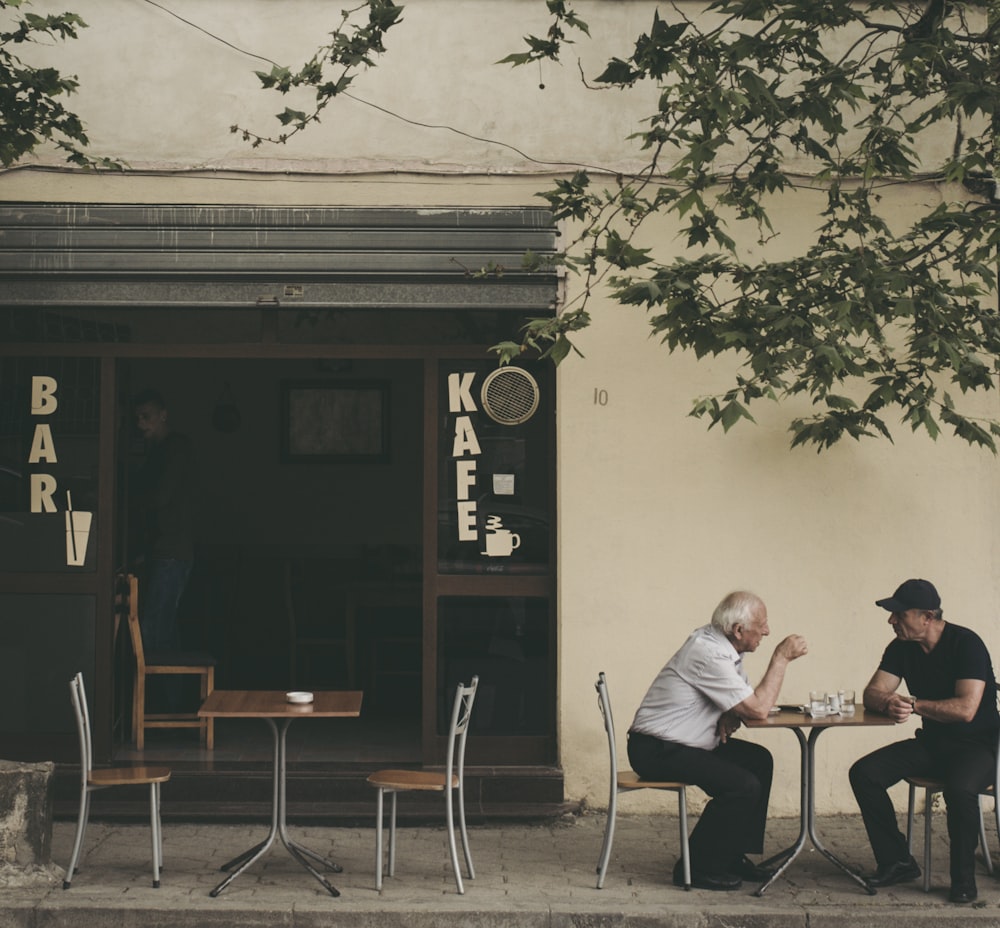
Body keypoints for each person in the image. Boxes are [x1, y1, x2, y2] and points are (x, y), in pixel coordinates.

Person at [627, 590, 808, 891]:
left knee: (759, 761)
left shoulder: (723, 648)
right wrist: (781, 658)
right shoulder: (708, 652)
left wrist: (731, 710)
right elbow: (758, 708)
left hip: (684, 743)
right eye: (761, 625)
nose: (767, 631)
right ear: (738, 630)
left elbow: (744, 702)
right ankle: (697, 867)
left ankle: (730, 855)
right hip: (656, 749)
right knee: (741, 785)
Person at [849, 578, 999, 904]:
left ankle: (963, 880)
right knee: (864, 773)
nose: (892, 621)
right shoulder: (901, 647)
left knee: (960, 790)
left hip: (979, 746)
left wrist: (915, 704)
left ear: (927, 617)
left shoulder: (966, 643)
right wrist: (887, 702)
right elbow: (872, 692)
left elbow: (966, 708)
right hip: (933, 744)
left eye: (899, 615)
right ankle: (897, 862)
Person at [133, 388, 197, 656]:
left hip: (171, 551)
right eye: (137, 418)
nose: (140, 424)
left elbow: (160, 497)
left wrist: (132, 498)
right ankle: (172, 697)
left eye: (146, 416)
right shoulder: (160, 451)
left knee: (153, 627)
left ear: (163, 416)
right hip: (163, 551)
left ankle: (160, 696)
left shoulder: (175, 449)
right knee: (163, 627)